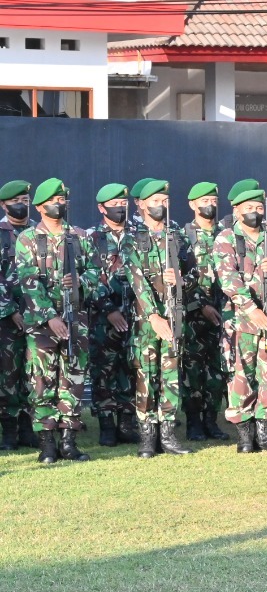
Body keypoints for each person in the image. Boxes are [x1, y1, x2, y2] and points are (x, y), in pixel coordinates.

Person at [14, 178, 101, 464]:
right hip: (42, 325)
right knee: (41, 381)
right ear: (40, 207)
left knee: (73, 379)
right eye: (54, 201)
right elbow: (27, 282)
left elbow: (95, 274)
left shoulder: (79, 236)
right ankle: (47, 443)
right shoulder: (27, 239)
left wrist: (78, 284)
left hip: (76, 320)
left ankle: (68, 441)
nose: (59, 205)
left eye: (63, 200)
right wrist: (50, 317)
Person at [211, 188, 267, 453]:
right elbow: (228, 279)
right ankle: (244, 434)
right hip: (240, 319)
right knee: (240, 374)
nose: (254, 213)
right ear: (236, 210)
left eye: (258, 208)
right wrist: (251, 309)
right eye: (248, 208)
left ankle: (264, 432)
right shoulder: (226, 238)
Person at [126, 180, 199, 458]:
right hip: (147, 321)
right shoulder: (133, 237)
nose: (161, 206)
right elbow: (137, 282)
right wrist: (153, 315)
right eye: (155, 201)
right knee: (146, 374)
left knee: (170, 375)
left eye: (165, 201)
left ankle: (168, 435)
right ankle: (147, 436)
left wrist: (180, 279)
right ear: (142, 204)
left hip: (174, 315)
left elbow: (195, 273)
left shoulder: (176, 234)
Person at [86, 183, 140, 448]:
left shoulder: (139, 234)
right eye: (115, 205)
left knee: (132, 370)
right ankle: (107, 425)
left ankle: (127, 423)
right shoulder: (91, 238)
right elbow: (88, 277)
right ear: (101, 208)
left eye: (123, 204)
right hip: (102, 319)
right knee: (104, 371)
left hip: (136, 315)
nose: (120, 209)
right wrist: (108, 310)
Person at [181, 182, 229, 442]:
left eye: (213, 199)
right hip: (194, 315)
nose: (209, 204)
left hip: (225, 312)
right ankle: (194, 423)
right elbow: (181, 277)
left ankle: (212, 421)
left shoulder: (227, 234)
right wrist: (202, 304)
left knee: (218, 371)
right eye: (204, 200)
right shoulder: (182, 236)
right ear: (192, 204)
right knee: (193, 371)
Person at [0, 179, 37, 449]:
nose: (22, 206)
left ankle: (28, 427)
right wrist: (11, 310)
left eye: (25, 201)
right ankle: (9, 432)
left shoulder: (37, 232)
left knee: (33, 373)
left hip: (36, 315)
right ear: (4, 204)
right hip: (6, 319)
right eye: (16, 202)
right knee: (8, 375)